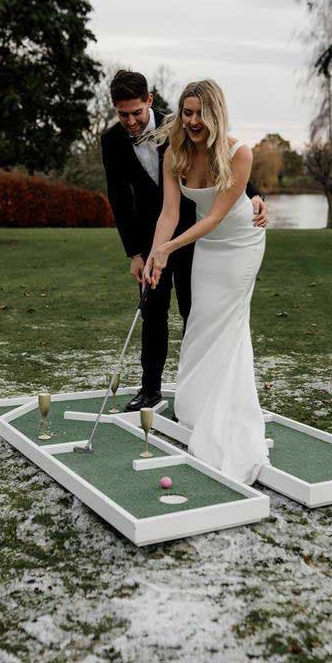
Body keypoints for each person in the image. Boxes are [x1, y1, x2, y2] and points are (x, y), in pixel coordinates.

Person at [101, 70, 268, 412]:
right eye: (123, 114)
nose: (130, 121)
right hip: (158, 231)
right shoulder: (112, 141)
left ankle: (199, 390)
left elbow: (223, 164)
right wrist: (139, 253)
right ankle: (150, 391)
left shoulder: (181, 123)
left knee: (197, 312)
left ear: (149, 100)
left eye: (136, 112)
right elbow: (119, 197)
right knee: (153, 311)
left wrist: (254, 195)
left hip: (200, 232)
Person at [142, 78, 269, 484]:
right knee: (199, 322)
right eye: (186, 112)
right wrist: (153, 254)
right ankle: (197, 408)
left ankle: (230, 416)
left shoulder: (239, 153)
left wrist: (170, 249)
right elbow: (168, 214)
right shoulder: (175, 153)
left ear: (214, 113)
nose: (192, 120)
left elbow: (214, 217)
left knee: (228, 326)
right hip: (207, 246)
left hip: (239, 242)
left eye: (199, 113)